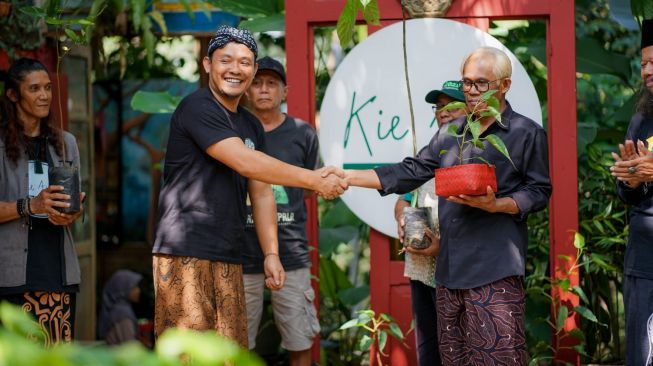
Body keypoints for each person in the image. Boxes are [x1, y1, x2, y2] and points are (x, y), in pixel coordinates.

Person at [336, 47, 551, 364]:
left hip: (496, 270)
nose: (472, 91)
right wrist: (349, 176)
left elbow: (540, 190)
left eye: (481, 83)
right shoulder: (451, 132)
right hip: (449, 273)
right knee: (453, 359)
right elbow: (412, 170)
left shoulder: (525, 132)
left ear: (504, 85)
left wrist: (499, 204)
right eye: (466, 83)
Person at [152, 26, 346, 348]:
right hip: (185, 251)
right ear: (207, 65)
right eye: (226, 60)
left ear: (253, 70)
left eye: (245, 62)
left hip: (230, 252)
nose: (235, 69)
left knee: (231, 350)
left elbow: (261, 190)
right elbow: (244, 162)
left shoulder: (249, 123)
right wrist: (313, 179)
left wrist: (271, 253)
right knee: (189, 354)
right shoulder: (197, 107)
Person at [0, 57, 85, 345]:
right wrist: (30, 206)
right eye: (34, 88)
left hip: (57, 273)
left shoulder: (65, 143)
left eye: (48, 87)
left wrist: (71, 211)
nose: (45, 95)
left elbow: (72, 206)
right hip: (10, 277)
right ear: (13, 94)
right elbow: (31, 205)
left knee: (55, 359)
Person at [242, 56, 320, 366]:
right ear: (247, 90)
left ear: (284, 92)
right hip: (241, 251)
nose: (263, 90)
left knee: (300, 339)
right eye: (257, 83)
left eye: (271, 84)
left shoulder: (303, 133)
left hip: (290, 251)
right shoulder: (233, 133)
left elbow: (311, 188)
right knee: (237, 341)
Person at [393, 80, 466, 366]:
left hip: (459, 271)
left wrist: (443, 246)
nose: (443, 112)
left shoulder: (478, 151)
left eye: (452, 106)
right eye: (439, 107)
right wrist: (402, 217)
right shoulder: (429, 153)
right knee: (429, 346)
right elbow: (403, 198)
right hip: (423, 269)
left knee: (458, 345)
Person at [610, 18, 653, 366]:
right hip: (645, 258)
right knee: (642, 355)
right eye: (643, 64)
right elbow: (626, 191)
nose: (648, 71)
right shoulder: (641, 118)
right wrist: (630, 181)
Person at [98, 269, 142, 345]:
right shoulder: (122, 313)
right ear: (122, 288)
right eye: (134, 287)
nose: (138, 290)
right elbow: (129, 346)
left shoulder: (116, 308)